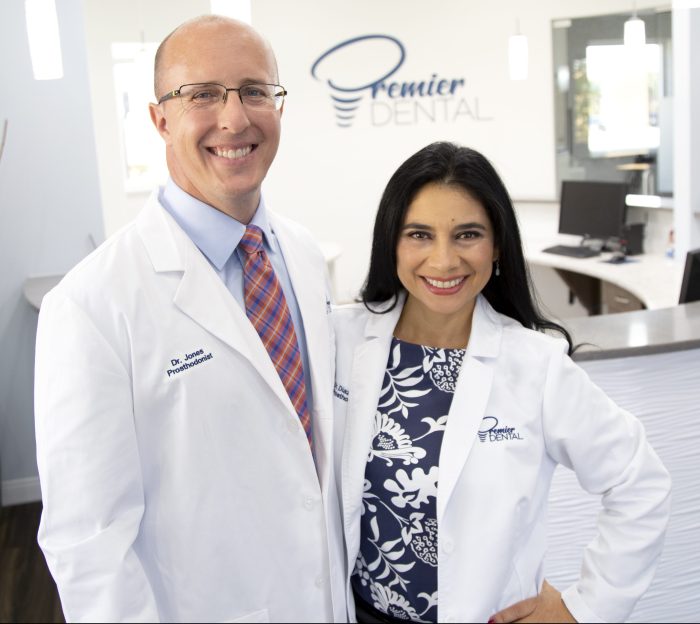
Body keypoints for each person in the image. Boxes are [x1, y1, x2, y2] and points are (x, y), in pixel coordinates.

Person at [34, 15, 345, 623]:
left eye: (255, 91)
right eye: (202, 94)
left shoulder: (305, 255)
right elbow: (89, 545)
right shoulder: (91, 305)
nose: (235, 118)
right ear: (160, 120)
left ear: (279, 107)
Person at [332, 142, 671, 623]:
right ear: (392, 242)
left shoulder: (535, 364)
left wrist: (583, 610)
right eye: (419, 234)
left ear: (497, 246)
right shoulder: (341, 340)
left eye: (467, 234)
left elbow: (640, 481)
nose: (444, 260)